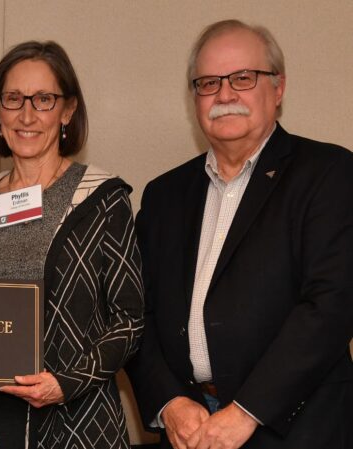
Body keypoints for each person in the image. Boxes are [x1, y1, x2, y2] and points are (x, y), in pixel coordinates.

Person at [126, 19, 353, 449]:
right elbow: (138, 313)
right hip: (190, 430)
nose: (224, 95)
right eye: (209, 83)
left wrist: (247, 411)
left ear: (278, 88)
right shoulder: (163, 195)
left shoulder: (329, 173)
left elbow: (331, 306)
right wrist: (170, 403)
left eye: (243, 78)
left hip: (297, 429)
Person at [0, 41, 144, 449]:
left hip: (79, 422)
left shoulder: (103, 199)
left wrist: (66, 383)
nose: (27, 115)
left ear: (67, 110)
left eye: (44, 99)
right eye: (14, 98)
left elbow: (130, 321)